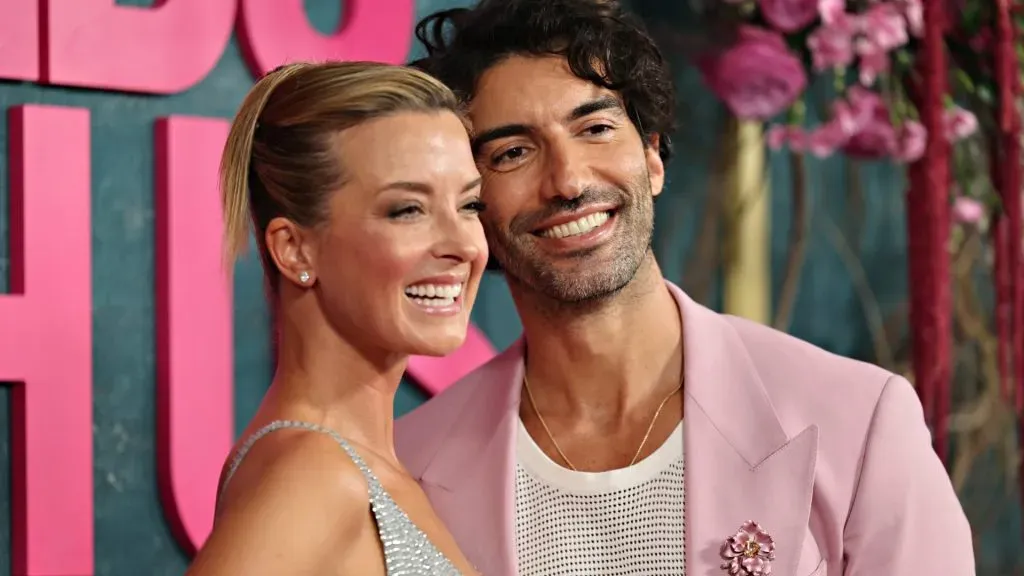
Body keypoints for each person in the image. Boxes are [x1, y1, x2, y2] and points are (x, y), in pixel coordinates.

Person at [395, 1, 976, 575]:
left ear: (652, 156)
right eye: (513, 152)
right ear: (470, 202)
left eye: (596, 128)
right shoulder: (409, 465)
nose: (568, 180)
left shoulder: (859, 421)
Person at [186, 61, 485, 576]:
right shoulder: (313, 474)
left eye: (469, 205)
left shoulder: (357, 463)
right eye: (407, 210)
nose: (463, 245)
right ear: (295, 249)